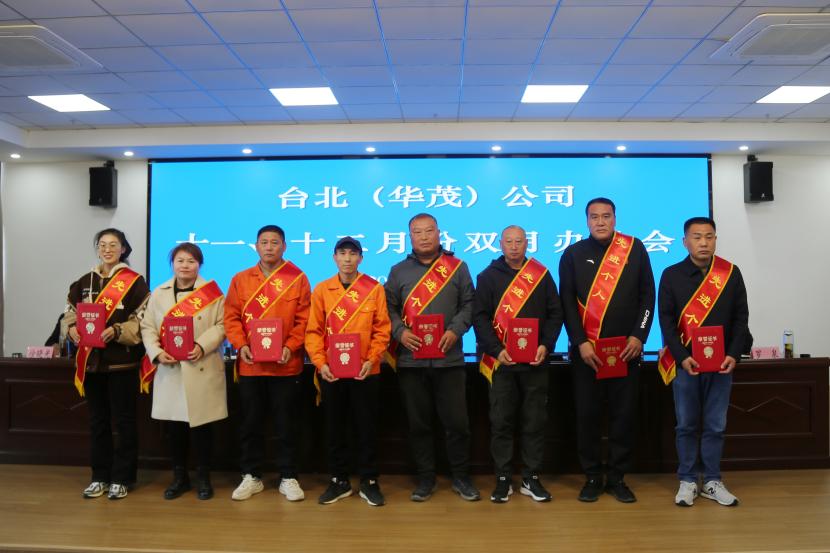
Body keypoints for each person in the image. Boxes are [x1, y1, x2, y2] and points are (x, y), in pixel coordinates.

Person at [558, 198, 655, 503]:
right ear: (586, 221)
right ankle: (591, 477)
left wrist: (639, 336)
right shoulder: (573, 254)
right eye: (594, 217)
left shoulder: (634, 249)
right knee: (587, 417)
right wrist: (580, 341)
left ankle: (617, 478)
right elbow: (566, 302)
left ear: (615, 218)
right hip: (586, 355)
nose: (600, 222)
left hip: (626, 352)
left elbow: (647, 296)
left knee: (623, 417)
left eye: (606, 216)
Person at [384, 213, 479, 502]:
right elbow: (387, 308)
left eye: (429, 231)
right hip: (411, 362)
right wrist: (400, 332)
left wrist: (455, 330)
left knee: (457, 424)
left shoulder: (457, 267)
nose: (424, 237)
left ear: (439, 233)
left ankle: (461, 477)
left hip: (449, 360)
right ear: (410, 237)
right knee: (419, 425)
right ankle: (425, 479)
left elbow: (469, 304)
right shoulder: (398, 271)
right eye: (417, 232)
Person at [658, 216, 749, 507]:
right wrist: (682, 357)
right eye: (697, 237)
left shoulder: (730, 273)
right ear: (685, 242)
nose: (703, 242)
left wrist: (733, 354)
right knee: (686, 424)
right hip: (686, 365)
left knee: (715, 425)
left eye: (709, 236)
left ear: (715, 240)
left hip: (721, 364)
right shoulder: (671, 275)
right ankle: (687, 480)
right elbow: (666, 322)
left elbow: (741, 318)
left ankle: (711, 480)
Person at [473, 225, 563, 503]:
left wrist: (545, 345)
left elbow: (555, 313)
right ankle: (502, 478)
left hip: (535, 362)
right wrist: (497, 350)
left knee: (534, 422)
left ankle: (530, 477)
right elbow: (480, 317)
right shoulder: (487, 277)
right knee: (501, 422)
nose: (514, 246)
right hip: (501, 363)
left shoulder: (541, 275)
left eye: (519, 242)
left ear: (527, 244)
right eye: (509, 242)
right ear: (500, 244)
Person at [223, 225, 311, 502]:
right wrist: (241, 345)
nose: (269, 247)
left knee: (287, 424)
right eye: (264, 242)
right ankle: (251, 475)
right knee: (250, 423)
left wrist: (290, 346)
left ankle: (288, 476)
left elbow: (304, 319)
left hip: (286, 365)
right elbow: (231, 317)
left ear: (284, 246)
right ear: (256, 246)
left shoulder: (297, 278)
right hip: (251, 365)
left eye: (275, 242)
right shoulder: (240, 279)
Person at [305, 237, 391, 507]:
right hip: (332, 372)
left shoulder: (374, 289)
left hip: (366, 371)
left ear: (361, 259)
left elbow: (382, 329)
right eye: (342, 253)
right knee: (334, 428)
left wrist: (372, 359)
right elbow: (313, 331)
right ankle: (338, 480)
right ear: (334, 258)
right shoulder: (322, 290)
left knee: (366, 428)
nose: (347, 259)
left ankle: (369, 481)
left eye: (353, 254)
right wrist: (321, 363)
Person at [64, 228, 149, 500]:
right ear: (97, 248)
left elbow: (142, 321)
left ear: (123, 249)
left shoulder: (135, 282)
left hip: (122, 364)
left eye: (114, 245)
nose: (108, 249)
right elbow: (69, 314)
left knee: (124, 422)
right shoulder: (83, 281)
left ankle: (123, 478)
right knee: (97, 422)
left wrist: (118, 330)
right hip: (92, 364)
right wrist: (71, 330)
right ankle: (99, 476)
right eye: (102, 245)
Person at [140, 243, 227, 500]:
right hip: (171, 370)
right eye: (180, 260)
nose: (185, 265)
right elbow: (147, 327)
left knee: (202, 429)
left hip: (202, 365)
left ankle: (204, 478)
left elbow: (223, 325)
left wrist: (202, 345)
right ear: (172, 264)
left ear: (199, 264)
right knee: (175, 429)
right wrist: (157, 352)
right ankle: (180, 478)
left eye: (191, 261)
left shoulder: (213, 293)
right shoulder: (159, 293)